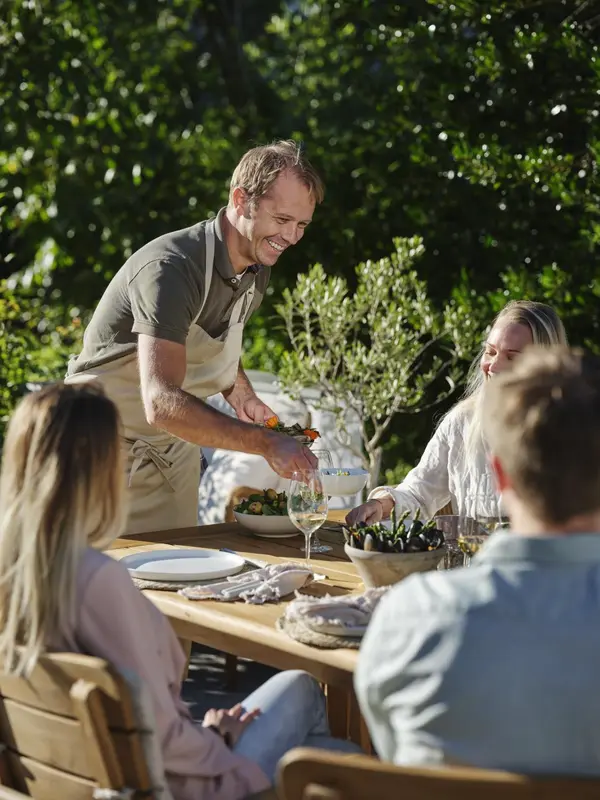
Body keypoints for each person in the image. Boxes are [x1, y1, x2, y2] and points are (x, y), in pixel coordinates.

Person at [0, 382, 360, 800]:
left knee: (320, 742)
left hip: (73, 777)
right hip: (179, 784)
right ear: (98, 469)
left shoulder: (20, 571)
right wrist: (216, 737)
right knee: (335, 749)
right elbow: (158, 736)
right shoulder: (98, 580)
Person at [356, 345, 600, 775]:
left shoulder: (411, 617)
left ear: (501, 474)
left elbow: (393, 753)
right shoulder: (463, 422)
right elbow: (419, 489)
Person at [66, 140, 323, 535]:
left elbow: (211, 337)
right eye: (281, 218)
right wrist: (265, 443)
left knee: (175, 582)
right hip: (99, 449)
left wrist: (241, 394)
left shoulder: (257, 264)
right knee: (94, 587)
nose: (290, 236)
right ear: (241, 200)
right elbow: (161, 402)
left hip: (170, 454)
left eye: (302, 225)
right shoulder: (172, 268)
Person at [346, 300, 567, 526]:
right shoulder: (463, 422)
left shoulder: (575, 432)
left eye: (512, 357)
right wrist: (381, 505)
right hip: (472, 560)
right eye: (490, 352)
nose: (494, 366)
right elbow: (420, 493)